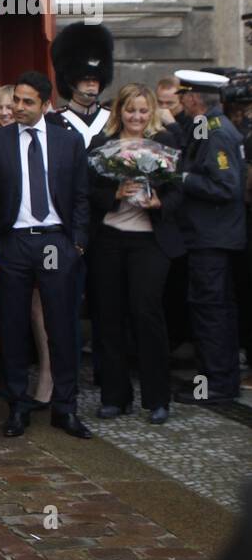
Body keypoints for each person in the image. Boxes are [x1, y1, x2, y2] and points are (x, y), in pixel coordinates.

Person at [0, 71, 92, 440]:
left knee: (61, 326)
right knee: (13, 328)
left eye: (28, 102)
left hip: (54, 242)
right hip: (13, 242)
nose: (18, 108)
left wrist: (76, 243)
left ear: (46, 105)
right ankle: (17, 406)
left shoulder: (68, 142)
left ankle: (65, 407)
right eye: (16, 100)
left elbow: (81, 195)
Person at [86, 84, 182, 424]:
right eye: (130, 110)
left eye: (143, 110)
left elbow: (178, 193)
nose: (137, 116)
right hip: (109, 240)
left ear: (151, 111)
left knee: (147, 315)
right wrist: (115, 191)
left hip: (150, 242)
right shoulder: (102, 145)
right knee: (109, 318)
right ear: (119, 112)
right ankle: (115, 397)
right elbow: (88, 192)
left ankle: (157, 399)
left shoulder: (166, 142)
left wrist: (159, 202)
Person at [173, 69, 246, 405]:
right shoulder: (207, 127)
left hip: (212, 239)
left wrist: (182, 178)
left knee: (211, 312)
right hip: (209, 236)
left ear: (193, 99)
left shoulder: (216, 133)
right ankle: (214, 381)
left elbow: (225, 186)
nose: (181, 102)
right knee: (212, 311)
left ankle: (216, 385)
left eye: (183, 97)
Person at [51, 21, 113, 147]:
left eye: (95, 79)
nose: (91, 84)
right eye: (85, 79)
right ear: (71, 81)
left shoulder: (113, 117)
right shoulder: (54, 120)